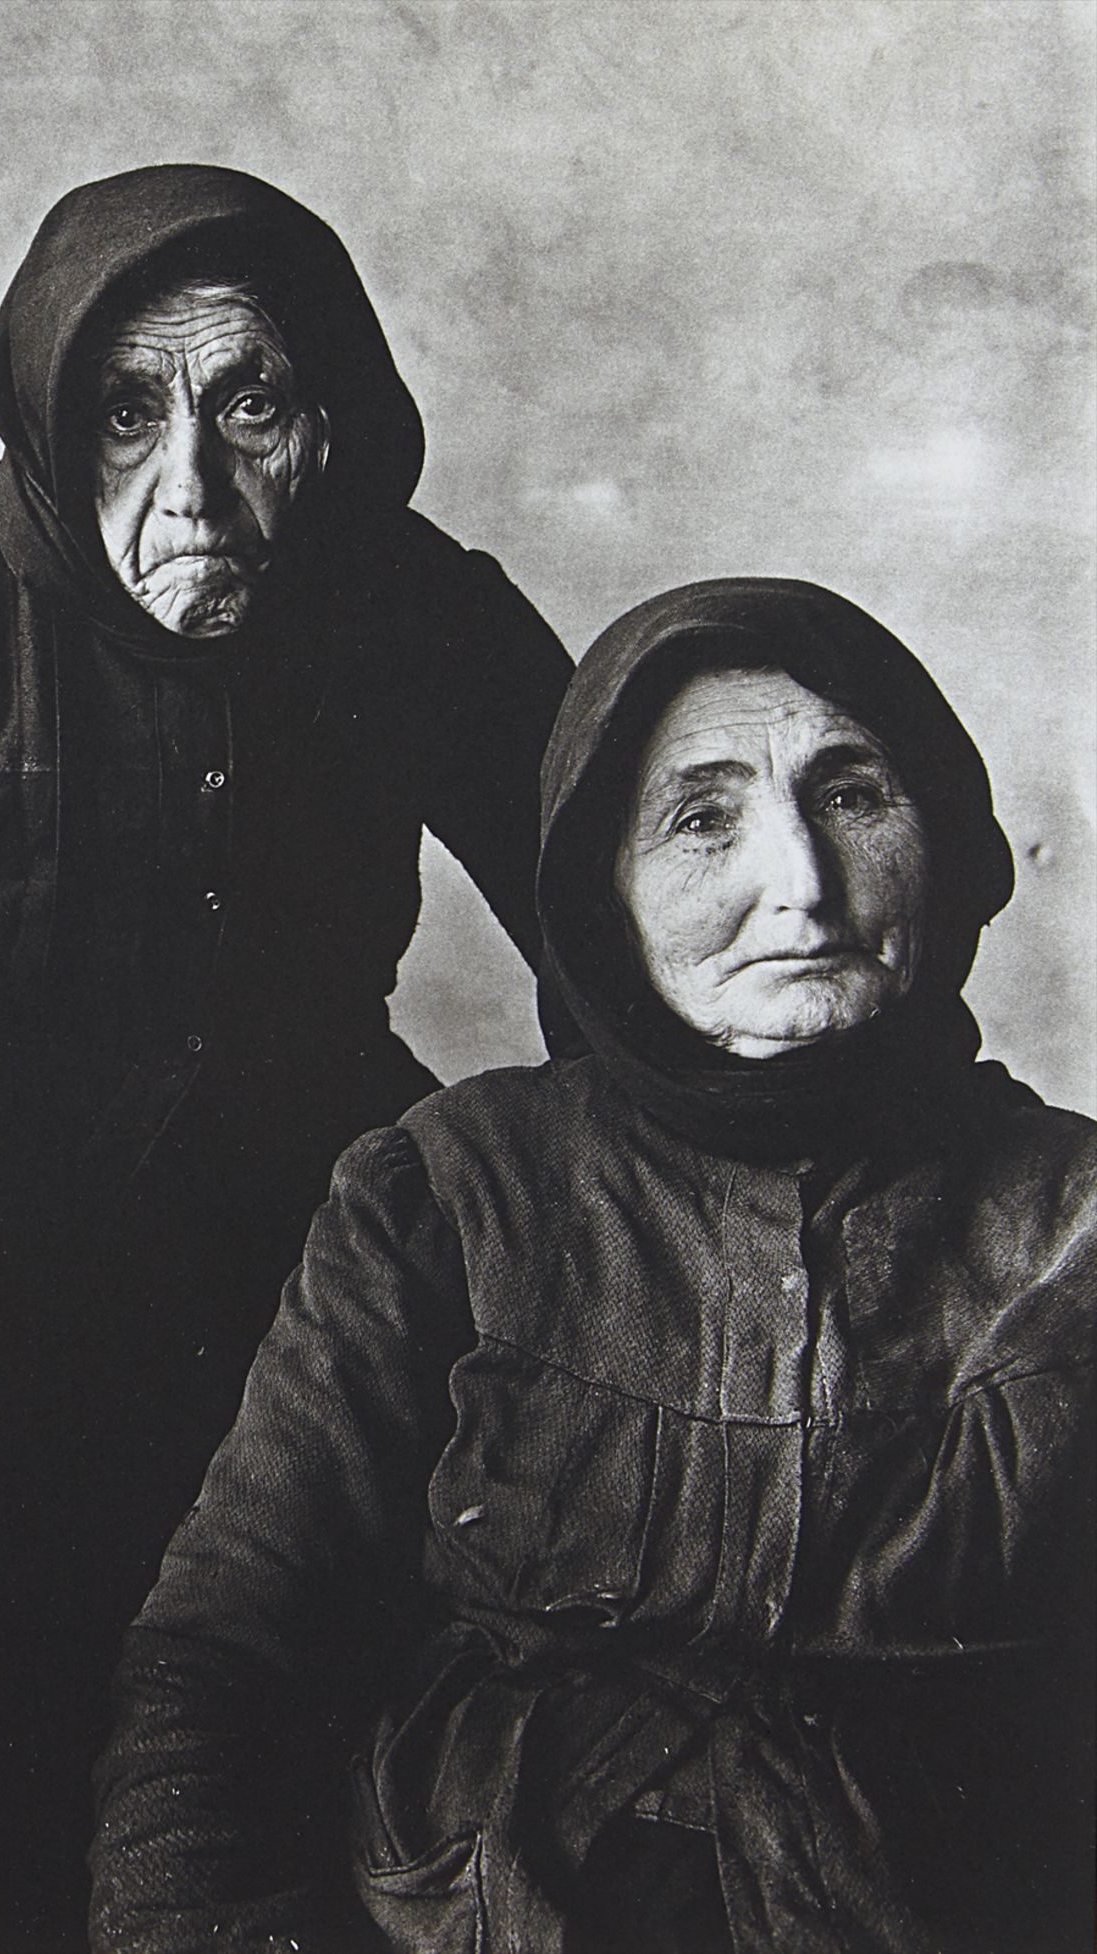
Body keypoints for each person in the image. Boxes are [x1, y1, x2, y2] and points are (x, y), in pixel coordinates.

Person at [0, 164, 572, 1942]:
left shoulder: (414, 606)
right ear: (50, 419)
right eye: (125, 415)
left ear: (330, 421)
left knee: (281, 1768)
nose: (192, 487)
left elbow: (619, 919)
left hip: (302, 1278)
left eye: (248, 401)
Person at [91, 579, 1096, 1954]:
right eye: (704, 817)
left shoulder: (1076, 1229)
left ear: (948, 836)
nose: (800, 882)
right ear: (601, 893)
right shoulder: (447, 1187)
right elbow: (222, 1663)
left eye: (855, 795)